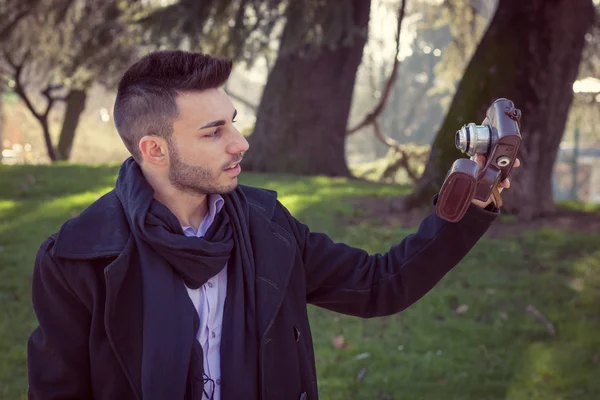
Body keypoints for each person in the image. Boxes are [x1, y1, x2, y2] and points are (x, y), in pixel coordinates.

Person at [26, 50, 519, 400]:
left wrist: (471, 205)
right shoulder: (77, 259)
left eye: (233, 121)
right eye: (214, 131)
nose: (239, 142)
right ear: (154, 150)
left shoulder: (268, 227)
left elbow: (380, 285)